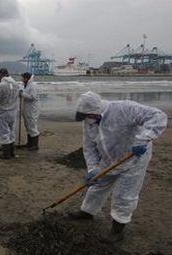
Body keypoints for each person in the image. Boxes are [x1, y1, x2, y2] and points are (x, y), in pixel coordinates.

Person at [70, 91, 168, 242]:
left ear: (96, 110)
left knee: (125, 193)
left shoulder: (123, 108)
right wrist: (92, 168)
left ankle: (118, 229)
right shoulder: (89, 122)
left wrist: (144, 139)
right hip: (109, 159)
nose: (88, 120)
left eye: (89, 116)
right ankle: (87, 211)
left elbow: (158, 116)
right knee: (98, 183)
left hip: (134, 157)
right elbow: (89, 147)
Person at [19, 72, 40, 151]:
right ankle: (29, 143)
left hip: (32, 109)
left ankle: (35, 145)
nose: (22, 80)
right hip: (27, 109)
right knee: (28, 126)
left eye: (23, 78)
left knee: (32, 126)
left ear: (26, 78)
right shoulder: (27, 85)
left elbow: (32, 97)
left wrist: (21, 94)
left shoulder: (33, 86)